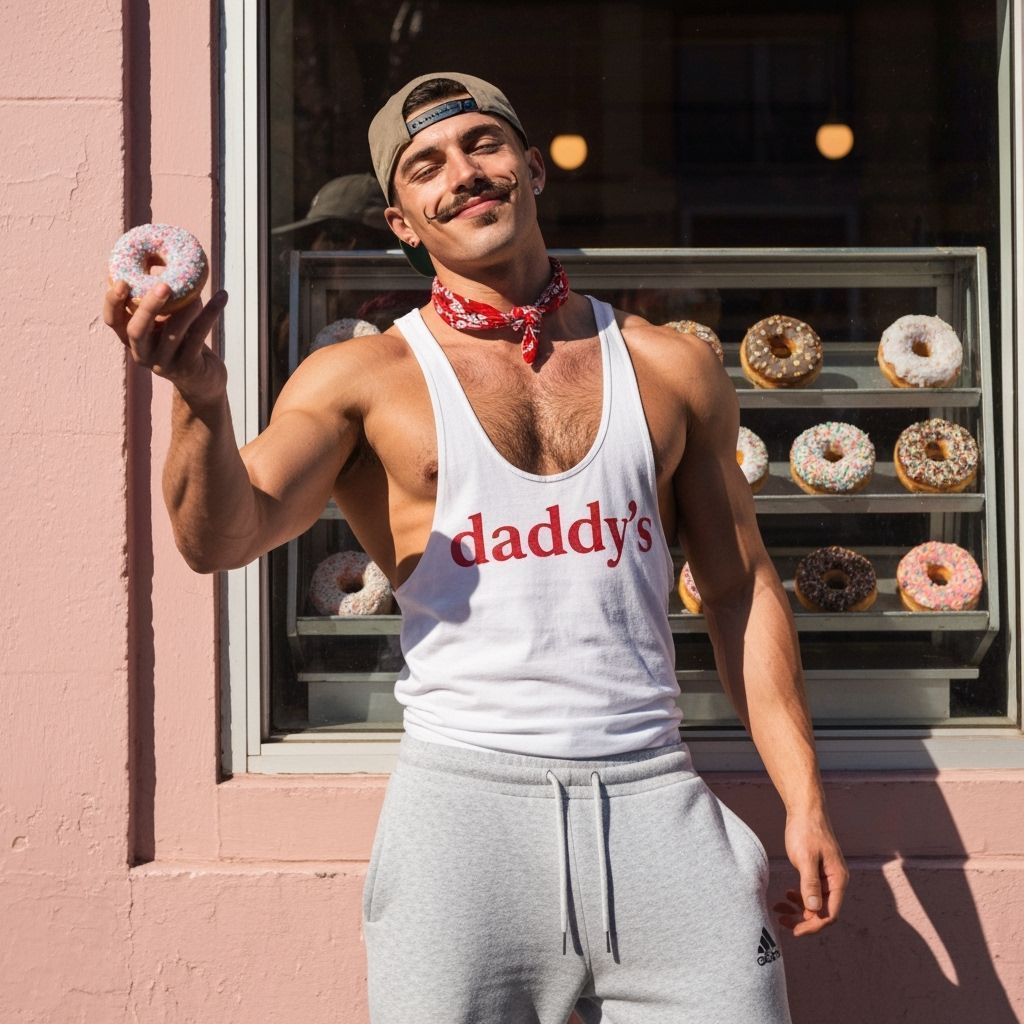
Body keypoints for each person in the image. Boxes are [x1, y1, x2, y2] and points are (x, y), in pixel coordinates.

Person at [103, 72, 847, 1024]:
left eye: (483, 145)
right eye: (426, 166)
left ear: (531, 168)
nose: (462, 173)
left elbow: (740, 590)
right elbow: (221, 537)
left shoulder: (670, 364)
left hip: (658, 801)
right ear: (402, 221)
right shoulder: (361, 377)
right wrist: (200, 402)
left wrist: (803, 797)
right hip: (464, 822)